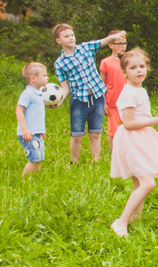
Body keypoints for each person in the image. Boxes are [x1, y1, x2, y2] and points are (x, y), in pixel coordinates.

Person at [109, 48, 158, 237]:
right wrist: (155, 120)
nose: (139, 70)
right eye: (133, 68)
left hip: (141, 138)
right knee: (148, 183)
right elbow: (128, 123)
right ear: (124, 73)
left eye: (142, 66)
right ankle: (120, 222)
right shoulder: (129, 93)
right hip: (132, 140)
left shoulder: (139, 90)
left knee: (139, 183)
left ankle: (134, 220)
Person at [52, 23, 126, 164]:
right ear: (58, 41)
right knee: (76, 136)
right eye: (66, 36)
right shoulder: (60, 63)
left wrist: (115, 36)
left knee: (95, 133)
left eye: (72, 35)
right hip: (79, 101)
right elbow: (65, 88)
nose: (71, 38)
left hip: (97, 97)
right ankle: (74, 162)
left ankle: (95, 163)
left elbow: (103, 42)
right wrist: (58, 101)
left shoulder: (85, 48)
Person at [15, 62, 48, 179]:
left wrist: (40, 130)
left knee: (39, 158)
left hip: (36, 133)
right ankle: (23, 181)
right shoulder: (28, 93)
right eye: (44, 75)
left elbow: (36, 115)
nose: (47, 78)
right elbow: (19, 110)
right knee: (34, 159)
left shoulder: (38, 93)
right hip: (28, 134)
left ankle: (33, 180)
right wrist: (24, 129)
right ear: (33, 79)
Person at [99, 30, 127, 154]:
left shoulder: (128, 61)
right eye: (119, 43)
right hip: (112, 103)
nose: (123, 46)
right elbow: (102, 84)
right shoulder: (106, 62)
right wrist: (103, 103)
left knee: (128, 128)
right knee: (114, 131)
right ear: (111, 45)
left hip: (127, 102)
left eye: (124, 43)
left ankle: (126, 151)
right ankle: (114, 153)